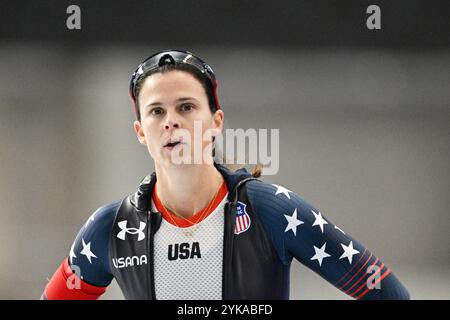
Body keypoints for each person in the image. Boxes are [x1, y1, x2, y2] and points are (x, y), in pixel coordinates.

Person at [41, 49, 410, 300]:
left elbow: (388, 292)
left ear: (216, 122)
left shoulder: (270, 211)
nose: (171, 121)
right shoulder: (111, 228)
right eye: (156, 111)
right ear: (140, 131)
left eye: (186, 106)